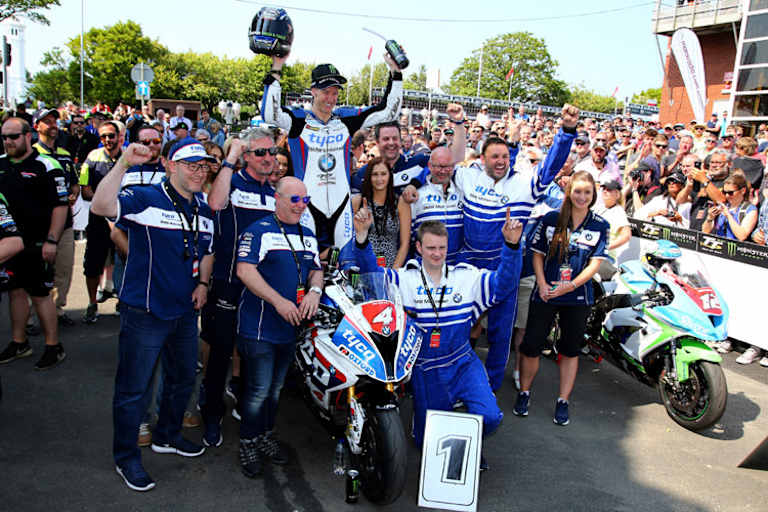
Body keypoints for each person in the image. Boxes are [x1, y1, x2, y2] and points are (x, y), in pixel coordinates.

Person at [403, 103, 580, 391]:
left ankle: (491, 386)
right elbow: (441, 167)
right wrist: (414, 182)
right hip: (467, 264)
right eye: (494, 156)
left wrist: (567, 131)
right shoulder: (468, 176)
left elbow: (551, 166)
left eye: (505, 156)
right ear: (482, 159)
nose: (500, 161)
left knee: (500, 332)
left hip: (503, 265)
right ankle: (448, 378)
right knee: (456, 325)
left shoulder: (525, 184)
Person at [349, 208, 523, 467]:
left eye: (442, 247)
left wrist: (512, 246)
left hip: (463, 361)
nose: (437, 253)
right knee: (427, 441)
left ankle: (468, 446)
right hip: (426, 368)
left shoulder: (467, 276)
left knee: (490, 417)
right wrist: (362, 238)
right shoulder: (404, 279)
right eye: (431, 248)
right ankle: (444, 439)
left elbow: (504, 284)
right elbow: (370, 277)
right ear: (419, 248)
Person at [91, 138, 216, 492]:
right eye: (190, 165)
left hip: (184, 312)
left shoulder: (203, 208)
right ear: (170, 165)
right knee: (134, 390)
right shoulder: (146, 197)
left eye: (203, 166)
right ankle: (126, 457)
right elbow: (100, 206)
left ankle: (167, 435)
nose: (199, 172)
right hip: (145, 312)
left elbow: (207, 250)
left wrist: (203, 283)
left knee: (182, 379)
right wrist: (123, 164)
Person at [263, 53, 404, 252]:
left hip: (341, 206)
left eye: (335, 93)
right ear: (313, 91)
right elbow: (270, 113)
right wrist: (276, 68)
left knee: (346, 262)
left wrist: (396, 73)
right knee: (306, 261)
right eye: (326, 92)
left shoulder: (345, 119)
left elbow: (389, 111)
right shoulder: (298, 120)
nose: (331, 98)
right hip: (307, 205)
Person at [234, 177, 323, 478]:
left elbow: (316, 270)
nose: (300, 205)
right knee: (259, 390)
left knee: (275, 390)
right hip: (259, 327)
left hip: (290, 329)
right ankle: (248, 441)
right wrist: (278, 301)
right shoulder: (258, 230)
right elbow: (244, 270)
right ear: (277, 198)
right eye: (294, 199)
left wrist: (314, 292)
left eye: (305, 200)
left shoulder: (308, 234)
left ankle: (264, 435)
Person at [201, 126, 280, 449]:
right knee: (220, 354)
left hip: (261, 289)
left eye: (272, 152)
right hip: (228, 283)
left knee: (253, 355)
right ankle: (211, 415)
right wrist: (230, 158)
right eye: (260, 152)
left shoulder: (275, 191)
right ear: (246, 155)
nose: (268, 157)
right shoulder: (232, 181)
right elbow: (215, 203)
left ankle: (248, 413)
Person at [515, 171, 609, 426]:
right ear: (569, 192)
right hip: (546, 293)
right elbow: (537, 254)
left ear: (593, 194)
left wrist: (571, 286)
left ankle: (563, 401)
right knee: (531, 346)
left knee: (569, 350)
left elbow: (595, 264)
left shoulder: (600, 225)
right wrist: (542, 283)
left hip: (577, 297)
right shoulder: (551, 219)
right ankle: (524, 393)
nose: (582, 197)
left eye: (587, 192)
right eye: (577, 191)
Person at [0, 118, 69, 370]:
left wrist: (52, 240)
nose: (8, 141)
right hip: (8, 243)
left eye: (13, 136)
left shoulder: (47, 165)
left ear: (28, 136)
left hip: (39, 242)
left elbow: (60, 206)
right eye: (4, 137)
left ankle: (54, 346)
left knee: (40, 294)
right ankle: (20, 342)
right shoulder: (0, 163)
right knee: (15, 291)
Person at [33, 108, 80, 327]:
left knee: (64, 269)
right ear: (37, 126)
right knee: (35, 271)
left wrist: (74, 194)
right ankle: (31, 317)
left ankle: (57, 310)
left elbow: (74, 184)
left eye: (54, 121)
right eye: (47, 121)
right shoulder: (31, 154)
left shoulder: (65, 154)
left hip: (65, 224)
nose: (53, 125)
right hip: (38, 224)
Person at [79, 121, 123, 323]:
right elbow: (85, 190)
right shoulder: (92, 157)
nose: (107, 140)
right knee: (93, 264)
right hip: (97, 220)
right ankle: (92, 304)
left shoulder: (128, 158)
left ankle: (123, 301)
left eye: (111, 135)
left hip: (122, 220)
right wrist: (106, 201)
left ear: (119, 136)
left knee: (125, 261)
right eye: (103, 136)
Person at [351, 157, 410, 268]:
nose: (379, 179)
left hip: (391, 269)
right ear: (369, 176)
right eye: (375, 174)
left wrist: (393, 272)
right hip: (362, 268)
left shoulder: (400, 203)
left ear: (390, 176)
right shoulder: (358, 202)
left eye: (383, 174)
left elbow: (405, 243)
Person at [409, 146, 463, 265]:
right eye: (438, 166)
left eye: (447, 167)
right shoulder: (417, 195)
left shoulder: (462, 192)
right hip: (425, 266)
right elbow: (409, 237)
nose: (443, 171)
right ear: (429, 166)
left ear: (454, 167)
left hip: (456, 267)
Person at [351, 121, 431, 196]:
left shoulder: (419, 162)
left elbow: (437, 166)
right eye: (386, 139)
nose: (391, 143)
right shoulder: (363, 174)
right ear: (377, 143)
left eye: (395, 138)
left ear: (400, 141)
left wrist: (415, 184)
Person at [592, 179, 631, 280]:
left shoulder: (618, 212)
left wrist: (606, 247)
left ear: (617, 194)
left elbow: (626, 235)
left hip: (604, 258)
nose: (605, 191)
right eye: (604, 189)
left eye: (609, 189)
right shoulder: (599, 208)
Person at [702, 172, 758, 241]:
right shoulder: (723, 206)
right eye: (724, 192)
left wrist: (728, 215)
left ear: (743, 191)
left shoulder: (750, 209)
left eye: (731, 193)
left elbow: (742, 236)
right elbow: (705, 232)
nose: (727, 196)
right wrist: (710, 218)